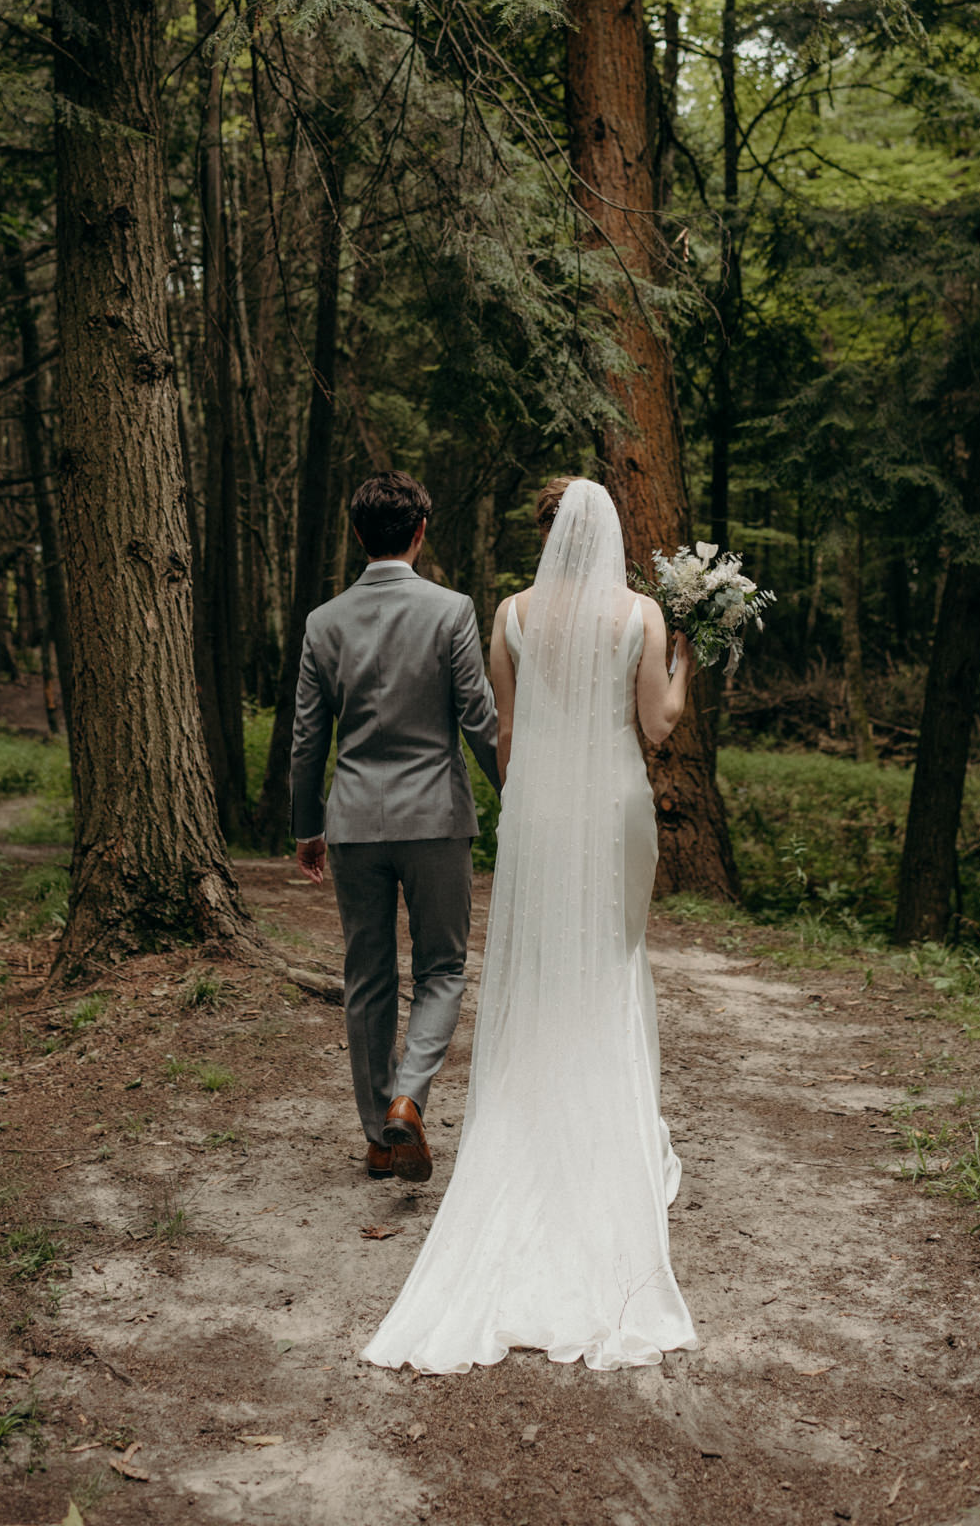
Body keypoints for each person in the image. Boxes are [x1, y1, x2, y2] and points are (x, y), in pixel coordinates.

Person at [362, 475, 698, 1373]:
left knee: (545, 962)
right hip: (614, 805)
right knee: (610, 956)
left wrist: (528, 803)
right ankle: (611, 1118)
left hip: (540, 808)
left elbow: (504, 736)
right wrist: (691, 664)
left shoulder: (508, 613)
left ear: (546, 536)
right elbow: (657, 727)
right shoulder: (641, 617)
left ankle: (539, 1106)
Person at [291, 471, 501, 1185]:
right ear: (419, 532)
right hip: (436, 819)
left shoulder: (324, 622)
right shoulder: (451, 611)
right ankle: (409, 1098)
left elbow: (306, 738)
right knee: (440, 969)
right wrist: (517, 790)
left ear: (358, 535)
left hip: (352, 821)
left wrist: (305, 825)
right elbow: (477, 718)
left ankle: (379, 1139)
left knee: (367, 976)